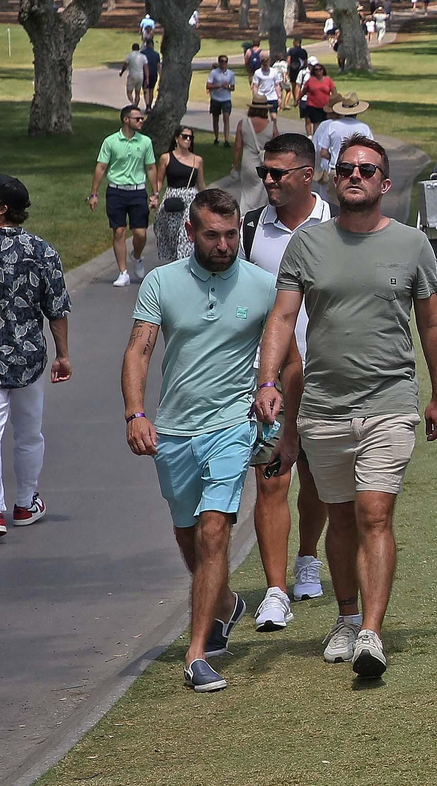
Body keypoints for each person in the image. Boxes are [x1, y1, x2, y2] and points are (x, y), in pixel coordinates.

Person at [255, 136, 437, 679]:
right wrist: (267, 380)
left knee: (374, 513)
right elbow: (281, 318)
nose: (355, 176)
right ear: (333, 177)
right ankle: (345, 618)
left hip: (390, 401)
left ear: (385, 183)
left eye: (366, 169)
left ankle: (371, 631)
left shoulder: (412, 244)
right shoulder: (307, 244)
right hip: (323, 405)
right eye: (346, 169)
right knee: (339, 519)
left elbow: (432, 323)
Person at [122, 188, 296, 692]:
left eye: (231, 235)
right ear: (191, 232)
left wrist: (278, 404)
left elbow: (290, 360)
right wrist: (135, 413)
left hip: (233, 425)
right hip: (175, 430)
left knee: (215, 530)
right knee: (188, 531)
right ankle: (224, 603)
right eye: (212, 235)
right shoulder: (161, 282)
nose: (223, 245)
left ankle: (196, 652)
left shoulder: (263, 285)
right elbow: (138, 352)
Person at [240, 132, 333, 628]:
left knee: (317, 477)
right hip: (269, 379)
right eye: (264, 172)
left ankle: (308, 557)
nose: (269, 181)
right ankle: (275, 591)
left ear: (307, 174)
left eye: (278, 173)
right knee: (271, 477)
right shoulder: (251, 229)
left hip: (325, 376)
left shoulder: (336, 224)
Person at [0, 175, 71, 544]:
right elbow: (56, 309)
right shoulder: (43, 251)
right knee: (28, 433)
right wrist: (63, 355)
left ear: (1, 209)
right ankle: (25, 503)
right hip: (29, 358)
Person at [88, 104, 159, 288]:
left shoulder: (145, 142)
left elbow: (151, 167)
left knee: (140, 233)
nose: (141, 121)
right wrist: (94, 194)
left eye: (142, 118)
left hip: (138, 191)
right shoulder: (110, 141)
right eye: (138, 118)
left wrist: (155, 193)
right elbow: (101, 167)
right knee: (119, 231)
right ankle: (123, 272)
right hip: (116, 191)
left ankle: (137, 256)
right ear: (126, 120)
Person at [154, 126, 204, 265]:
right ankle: (175, 263)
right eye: (184, 136)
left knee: (186, 235)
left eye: (190, 137)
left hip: (191, 199)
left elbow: (201, 184)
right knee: (172, 234)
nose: (188, 139)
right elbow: (159, 180)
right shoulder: (166, 158)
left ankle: (184, 264)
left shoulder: (197, 160)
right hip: (172, 198)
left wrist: (206, 200)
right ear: (177, 138)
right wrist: (155, 195)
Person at [312, 93, 374, 182]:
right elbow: (370, 151)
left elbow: (323, 152)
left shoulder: (332, 126)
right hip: (357, 171)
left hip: (336, 169)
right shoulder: (364, 128)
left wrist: (334, 157)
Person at [232, 96, 276, 212]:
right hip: (264, 165)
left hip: (248, 163)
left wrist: (235, 165)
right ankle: (259, 216)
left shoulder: (243, 123)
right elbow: (277, 148)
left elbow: (237, 147)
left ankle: (244, 215)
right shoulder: (271, 126)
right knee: (262, 196)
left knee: (246, 194)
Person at [299, 60, 336, 137]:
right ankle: (315, 139)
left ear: (323, 70)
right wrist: (297, 99)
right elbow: (303, 91)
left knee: (326, 124)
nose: (318, 71)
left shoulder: (328, 80)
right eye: (316, 70)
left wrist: (335, 102)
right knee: (317, 124)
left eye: (320, 69)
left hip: (326, 106)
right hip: (313, 105)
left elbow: (334, 92)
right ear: (313, 71)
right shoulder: (310, 81)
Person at [206, 56, 236, 145]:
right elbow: (208, 85)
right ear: (219, 62)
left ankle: (226, 140)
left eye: (225, 61)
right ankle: (216, 137)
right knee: (215, 119)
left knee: (226, 118)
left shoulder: (231, 74)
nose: (224, 63)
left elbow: (233, 87)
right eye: (222, 61)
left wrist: (228, 87)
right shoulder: (214, 73)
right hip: (215, 98)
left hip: (226, 99)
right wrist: (219, 86)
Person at [251, 50, 280, 122]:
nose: (266, 66)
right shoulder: (258, 73)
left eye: (267, 63)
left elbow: (277, 85)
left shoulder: (274, 72)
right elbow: (255, 86)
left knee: (274, 117)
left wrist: (279, 97)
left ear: (269, 62)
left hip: (272, 97)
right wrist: (255, 96)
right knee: (262, 118)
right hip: (261, 97)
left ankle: (274, 128)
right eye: (264, 64)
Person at [121, 42, 146, 106]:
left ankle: (132, 103)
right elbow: (146, 67)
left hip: (132, 75)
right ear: (139, 48)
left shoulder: (129, 56)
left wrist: (122, 72)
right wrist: (147, 77)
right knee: (137, 93)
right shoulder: (143, 56)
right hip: (140, 76)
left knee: (129, 92)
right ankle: (136, 105)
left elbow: (125, 65)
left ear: (132, 48)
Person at [140, 39, 161, 111]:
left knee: (146, 89)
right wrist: (160, 75)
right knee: (151, 90)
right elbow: (158, 66)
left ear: (146, 45)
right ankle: (149, 106)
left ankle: (147, 105)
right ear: (152, 45)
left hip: (144, 74)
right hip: (153, 74)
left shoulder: (142, 53)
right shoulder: (156, 54)